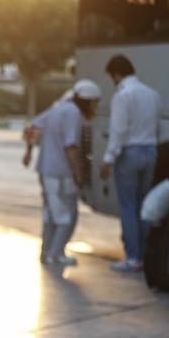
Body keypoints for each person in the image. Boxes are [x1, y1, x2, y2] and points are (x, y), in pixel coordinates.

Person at [21, 79, 101, 266]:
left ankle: (46, 251)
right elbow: (71, 146)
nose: (96, 107)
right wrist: (78, 173)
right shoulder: (73, 113)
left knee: (50, 214)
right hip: (60, 172)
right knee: (67, 216)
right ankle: (55, 254)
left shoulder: (57, 108)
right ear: (87, 101)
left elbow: (32, 126)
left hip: (45, 170)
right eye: (95, 103)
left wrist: (28, 152)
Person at [99, 54, 162, 272]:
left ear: (117, 74)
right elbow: (157, 127)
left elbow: (119, 131)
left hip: (129, 154)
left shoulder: (123, 96)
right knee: (144, 206)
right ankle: (145, 255)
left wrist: (108, 159)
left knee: (128, 207)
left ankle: (133, 257)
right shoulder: (152, 94)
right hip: (150, 151)